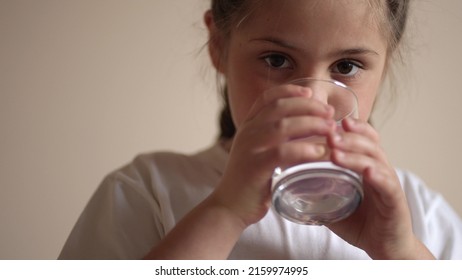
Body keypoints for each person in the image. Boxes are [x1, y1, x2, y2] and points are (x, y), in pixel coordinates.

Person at [59, 0, 462, 260]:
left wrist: (398, 250)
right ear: (219, 46)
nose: (313, 99)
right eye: (276, 59)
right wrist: (225, 211)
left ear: (385, 64)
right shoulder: (146, 189)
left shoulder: (420, 214)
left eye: (346, 67)